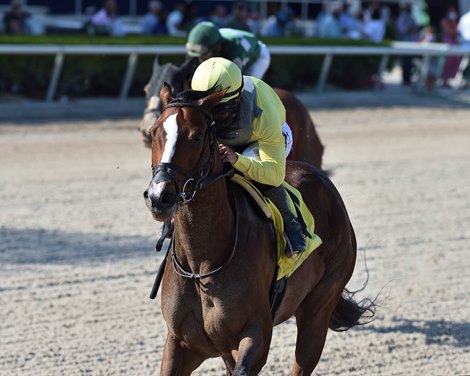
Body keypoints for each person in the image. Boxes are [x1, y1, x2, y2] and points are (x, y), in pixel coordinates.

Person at [191, 57, 307, 256]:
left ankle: (292, 228)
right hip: (230, 140)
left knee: (250, 169)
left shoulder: (263, 112)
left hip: (261, 139)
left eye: (218, 109)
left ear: (236, 99)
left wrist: (238, 160)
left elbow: (275, 174)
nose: (212, 116)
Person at [186, 21, 271, 79]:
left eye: (203, 56)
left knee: (247, 87)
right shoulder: (213, 41)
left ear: (218, 48)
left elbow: (234, 79)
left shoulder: (234, 51)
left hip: (259, 55)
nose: (200, 59)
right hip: (238, 42)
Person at [440, 7, 461, 87]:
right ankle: (444, 80)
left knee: (455, 61)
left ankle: (448, 80)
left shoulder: (455, 21)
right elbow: (450, 31)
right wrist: (454, 31)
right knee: (446, 62)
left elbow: (456, 31)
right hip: (447, 43)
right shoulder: (444, 21)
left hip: (455, 43)